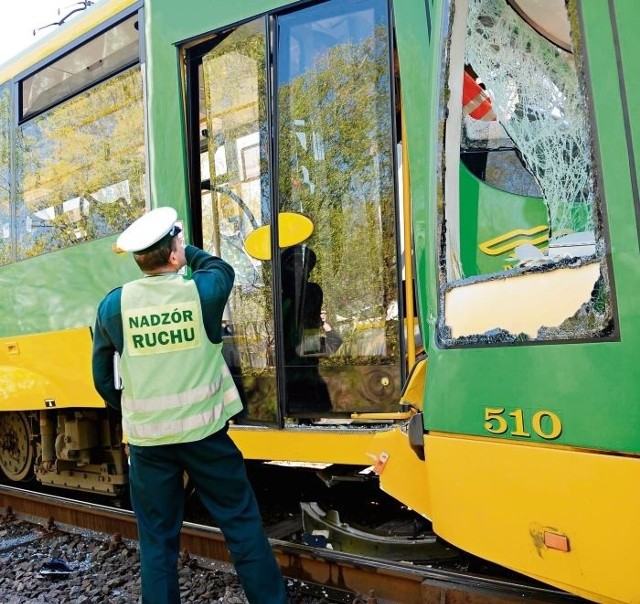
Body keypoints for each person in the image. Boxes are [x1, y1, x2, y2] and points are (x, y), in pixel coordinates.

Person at [91, 207, 287, 604]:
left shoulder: (115, 306)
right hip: (206, 438)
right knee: (241, 525)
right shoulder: (203, 292)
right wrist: (182, 248)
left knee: (158, 542)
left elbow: (103, 380)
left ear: (138, 259)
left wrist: (134, 407)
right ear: (175, 252)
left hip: (149, 444)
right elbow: (218, 265)